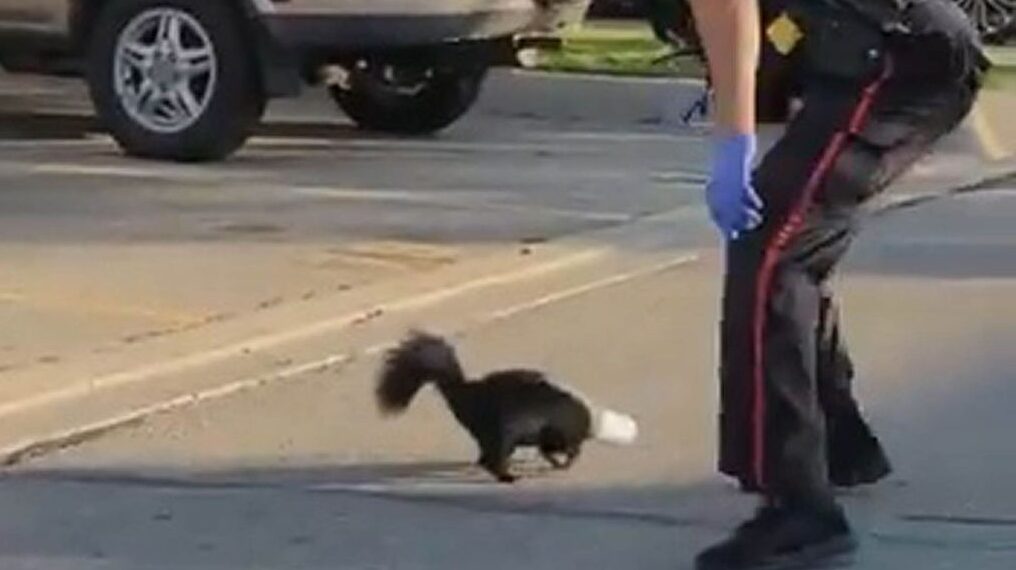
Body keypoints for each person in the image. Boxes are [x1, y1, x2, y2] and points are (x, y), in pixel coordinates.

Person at [685, 0, 990, 568]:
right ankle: (840, 447)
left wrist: (733, 141)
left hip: (895, 64)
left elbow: (729, 10)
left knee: (772, 254)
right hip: (889, 55)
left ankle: (800, 508)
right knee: (794, 242)